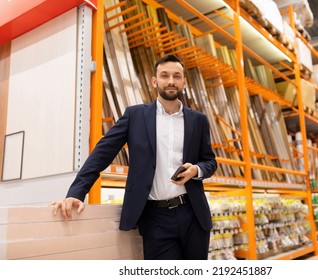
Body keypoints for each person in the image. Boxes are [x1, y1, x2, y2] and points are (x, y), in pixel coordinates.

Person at [51, 54, 217, 260]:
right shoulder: (135, 116)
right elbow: (102, 154)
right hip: (156, 218)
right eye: (164, 76)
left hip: (193, 214)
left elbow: (210, 161)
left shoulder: (198, 120)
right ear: (155, 81)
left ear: (184, 81)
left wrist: (196, 170)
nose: (171, 81)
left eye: (177, 76)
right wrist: (76, 192)